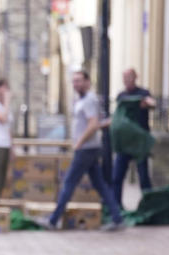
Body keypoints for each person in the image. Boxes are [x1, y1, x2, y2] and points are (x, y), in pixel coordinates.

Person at [43, 70, 124, 231]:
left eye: (79, 80)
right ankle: (117, 218)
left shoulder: (88, 100)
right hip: (91, 148)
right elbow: (98, 122)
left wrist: (79, 142)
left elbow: (93, 124)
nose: (76, 84)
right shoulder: (84, 100)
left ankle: (53, 220)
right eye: (74, 81)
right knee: (100, 185)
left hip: (85, 149)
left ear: (87, 81)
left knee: (69, 183)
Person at [112, 68, 155, 205]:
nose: (127, 80)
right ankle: (117, 208)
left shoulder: (143, 93)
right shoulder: (121, 96)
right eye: (124, 77)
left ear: (135, 77)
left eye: (129, 77)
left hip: (139, 143)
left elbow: (152, 103)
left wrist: (144, 103)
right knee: (117, 177)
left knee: (143, 177)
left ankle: (149, 205)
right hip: (124, 143)